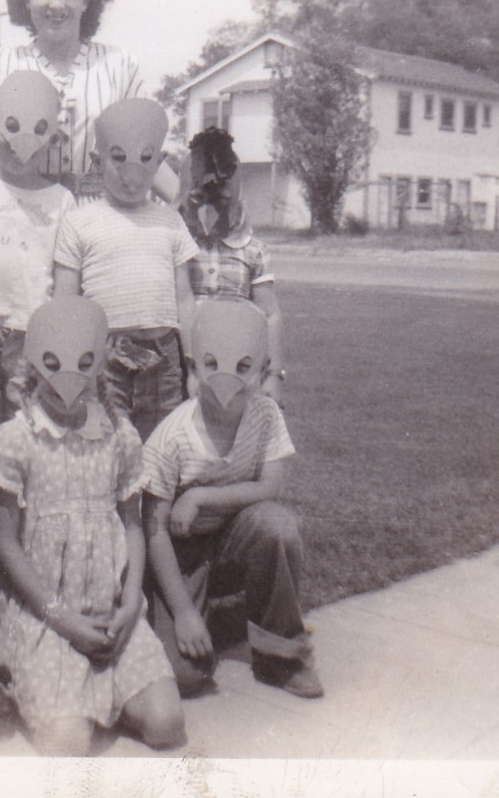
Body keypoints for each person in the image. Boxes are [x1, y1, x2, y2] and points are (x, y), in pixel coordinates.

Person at [0, 296, 185, 755]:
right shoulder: (16, 440)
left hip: (113, 610)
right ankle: (30, 684)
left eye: (83, 362)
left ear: (101, 365)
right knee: (68, 746)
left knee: (167, 724)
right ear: (33, 365)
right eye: (52, 364)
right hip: (46, 616)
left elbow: (132, 526)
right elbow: (6, 544)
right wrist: (62, 618)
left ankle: (104, 693)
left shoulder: (119, 435)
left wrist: (132, 601)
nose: (67, 380)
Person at [142, 298, 323, 700]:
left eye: (244, 368)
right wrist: (185, 613)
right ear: (193, 370)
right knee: (187, 678)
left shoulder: (266, 414)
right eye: (212, 365)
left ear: (261, 373)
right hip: (179, 555)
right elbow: (153, 530)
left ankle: (282, 656)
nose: (228, 381)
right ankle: (204, 618)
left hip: (232, 537)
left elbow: (270, 488)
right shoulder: (171, 437)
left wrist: (202, 496)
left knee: (276, 525)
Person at [0, 0, 177, 202]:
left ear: (86, 0)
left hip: (100, 215)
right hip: (22, 214)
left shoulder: (118, 66)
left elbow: (145, 153)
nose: (56, 3)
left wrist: (188, 201)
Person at [53, 98, 198, 440]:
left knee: (162, 443)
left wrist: (192, 364)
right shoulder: (79, 222)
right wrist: (72, 362)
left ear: (159, 162)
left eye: (145, 161)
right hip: (105, 354)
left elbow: (186, 298)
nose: (131, 178)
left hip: (164, 354)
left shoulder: (171, 221)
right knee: (106, 442)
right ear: (97, 161)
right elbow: (65, 301)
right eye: (118, 160)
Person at [0, 69, 77, 415]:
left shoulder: (60, 198)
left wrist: (54, 336)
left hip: (33, 333)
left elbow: (66, 274)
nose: (18, 149)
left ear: (52, 140)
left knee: (26, 423)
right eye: (8, 137)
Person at [178, 126, 285, 403]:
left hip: (237, 367)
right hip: (184, 370)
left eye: (223, 188)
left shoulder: (253, 250)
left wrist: (273, 374)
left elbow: (270, 315)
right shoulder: (176, 246)